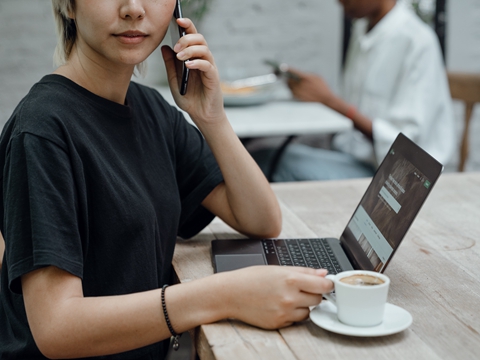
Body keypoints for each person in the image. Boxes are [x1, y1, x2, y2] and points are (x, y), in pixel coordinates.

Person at [0, 1, 334, 359]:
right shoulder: (42, 131)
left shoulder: (150, 109)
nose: (133, 8)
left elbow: (261, 218)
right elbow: (57, 328)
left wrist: (212, 119)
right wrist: (224, 296)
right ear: (68, 6)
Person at [253, 0, 455, 181]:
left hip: (394, 177)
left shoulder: (417, 41)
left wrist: (329, 100)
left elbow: (406, 147)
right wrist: (316, 94)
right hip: (353, 157)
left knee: (270, 161)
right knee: (262, 154)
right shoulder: (362, 30)